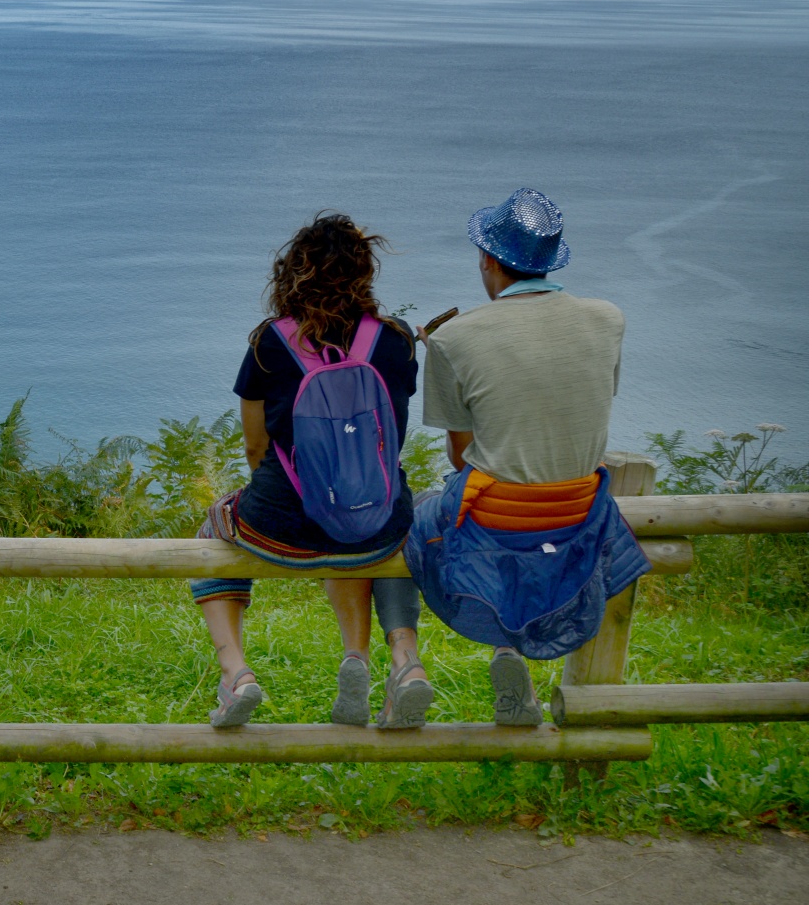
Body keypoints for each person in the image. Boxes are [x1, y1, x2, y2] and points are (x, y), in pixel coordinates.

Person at [409, 187, 650, 724]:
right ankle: (509, 655)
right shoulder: (608, 318)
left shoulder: (455, 338)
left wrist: (441, 355)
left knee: (429, 515)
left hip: (499, 516)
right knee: (517, 516)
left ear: (489, 260)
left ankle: (419, 660)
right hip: (580, 512)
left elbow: (462, 457)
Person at [192, 213, 433, 730]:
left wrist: (295, 490)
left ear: (291, 272)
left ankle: (235, 673)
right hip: (374, 523)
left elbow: (256, 444)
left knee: (213, 527)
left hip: (281, 521)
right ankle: (394, 661)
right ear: (364, 273)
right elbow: (395, 431)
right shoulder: (395, 340)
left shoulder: (268, 343)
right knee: (386, 531)